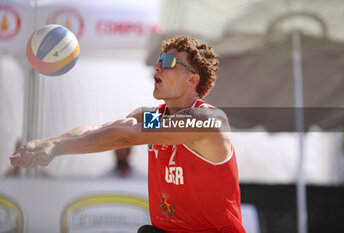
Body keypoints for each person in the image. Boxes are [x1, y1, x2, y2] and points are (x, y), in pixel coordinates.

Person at [9, 35, 246, 233]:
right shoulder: (154, 116)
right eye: (159, 60)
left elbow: (126, 137)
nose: (157, 66)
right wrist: (47, 142)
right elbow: (100, 129)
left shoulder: (206, 121)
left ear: (192, 80)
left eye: (168, 62)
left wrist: (57, 150)